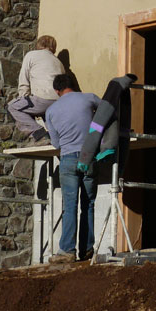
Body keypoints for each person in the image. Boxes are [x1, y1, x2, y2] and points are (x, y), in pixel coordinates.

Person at [45, 72, 101, 264]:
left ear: (57, 91)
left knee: (70, 206)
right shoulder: (89, 98)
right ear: (73, 85)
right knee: (89, 204)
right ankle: (87, 250)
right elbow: (108, 113)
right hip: (89, 155)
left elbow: (56, 143)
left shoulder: (51, 111)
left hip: (68, 158)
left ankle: (67, 250)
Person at [7, 35, 65, 143]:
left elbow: (23, 80)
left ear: (39, 44)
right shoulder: (59, 62)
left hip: (42, 98)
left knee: (12, 107)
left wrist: (24, 99)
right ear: (53, 47)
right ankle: (53, 139)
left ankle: (39, 133)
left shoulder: (31, 55)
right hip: (59, 101)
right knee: (47, 117)